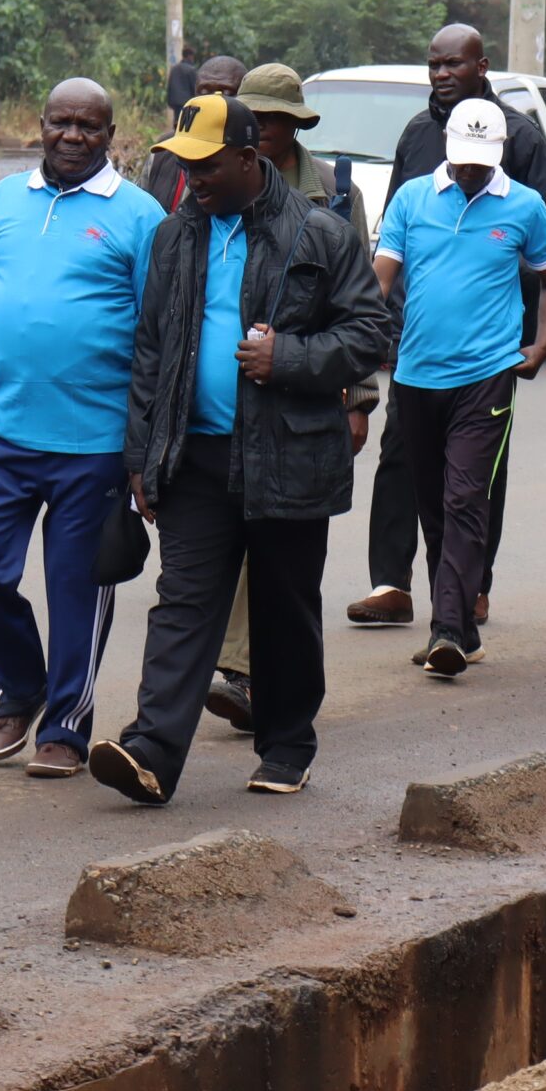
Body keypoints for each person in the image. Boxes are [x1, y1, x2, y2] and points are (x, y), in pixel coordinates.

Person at [89, 95, 388, 805]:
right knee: (183, 603)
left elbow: (369, 335)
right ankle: (151, 751)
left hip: (288, 456)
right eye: (184, 163)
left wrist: (288, 357)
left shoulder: (319, 233)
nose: (192, 177)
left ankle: (287, 744)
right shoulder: (176, 236)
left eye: (208, 164)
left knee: (285, 606)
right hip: (195, 457)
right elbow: (152, 350)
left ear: (249, 160)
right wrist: (140, 455)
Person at [0, 78, 166, 775]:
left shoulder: (138, 217)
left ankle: (66, 724)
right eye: (61, 123)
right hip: (1, 430)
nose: (73, 136)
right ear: (41, 125)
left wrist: (143, 446)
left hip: (95, 443)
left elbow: (157, 338)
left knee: (78, 587)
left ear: (111, 135)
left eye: (89, 126)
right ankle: (21, 684)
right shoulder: (2, 201)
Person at [348, 23, 546, 630]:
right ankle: (390, 582)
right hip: (414, 340)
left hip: (488, 349)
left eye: (455, 65)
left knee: (473, 480)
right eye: (434, 65)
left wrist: (504, 280)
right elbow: (395, 237)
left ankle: (469, 592)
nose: (443, 75)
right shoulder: (420, 134)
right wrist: (379, 318)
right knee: (401, 456)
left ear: (483, 68)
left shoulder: (520, 138)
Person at [202, 63, 381, 732]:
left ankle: (256, 681)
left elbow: (357, 302)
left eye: (275, 119)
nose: (265, 128)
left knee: (284, 558)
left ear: (294, 126)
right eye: (256, 117)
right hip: (225, 403)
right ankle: (239, 672)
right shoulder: (214, 182)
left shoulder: (334, 194)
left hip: (301, 398)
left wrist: (357, 399)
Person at [372, 97, 546, 676]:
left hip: (486, 377)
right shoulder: (412, 198)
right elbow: (378, 280)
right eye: (462, 159)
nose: (471, 170)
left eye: (481, 160)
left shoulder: (524, 206)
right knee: (432, 504)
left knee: (464, 499)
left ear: (498, 153)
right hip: (414, 376)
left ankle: (448, 631)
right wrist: (353, 343)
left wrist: (542, 344)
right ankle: (462, 626)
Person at [142, 54, 245, 210]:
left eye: (227, 93)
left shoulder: (254, 158)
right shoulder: (164, 152)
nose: (212, 100)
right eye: (204, 92)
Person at [166, 42, 200, 116]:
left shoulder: (174, 69)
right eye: (193, 57)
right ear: (189, 56)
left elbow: (169, 87)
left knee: (177, 124)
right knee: (186, 125)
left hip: (175, 103)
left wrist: (169, 101)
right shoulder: (191, 69)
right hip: (187, 103)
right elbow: (195, 87)